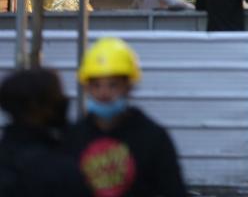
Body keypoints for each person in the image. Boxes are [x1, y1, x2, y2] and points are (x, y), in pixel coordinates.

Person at [67, 38, 187, 196]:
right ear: (87, 88)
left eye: (113, 85)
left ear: (128, 87)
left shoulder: (153, 138)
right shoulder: (74, 138)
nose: (104, 94)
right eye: (96, 85)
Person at [0, 69, 88, 197]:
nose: (63, 100)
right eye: (56, 96)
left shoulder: (7, 154)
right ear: (37, 106)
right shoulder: (59, 169)